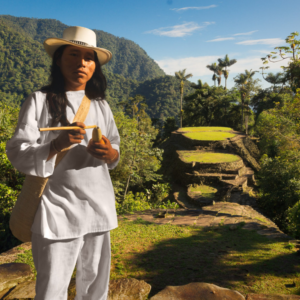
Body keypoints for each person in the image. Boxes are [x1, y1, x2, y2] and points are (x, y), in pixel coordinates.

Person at [6, 26, 120, 300]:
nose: (81, 63)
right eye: (73, 54)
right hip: (56, 212)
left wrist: (108, 153)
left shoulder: (100, 105)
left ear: (95, 66)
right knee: (51, 290)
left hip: (98, 208)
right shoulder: (39, 101)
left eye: (88, 57)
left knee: (95, 288)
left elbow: (115, 146)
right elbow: (18, 151)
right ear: (58, 59)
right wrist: (57, 144)